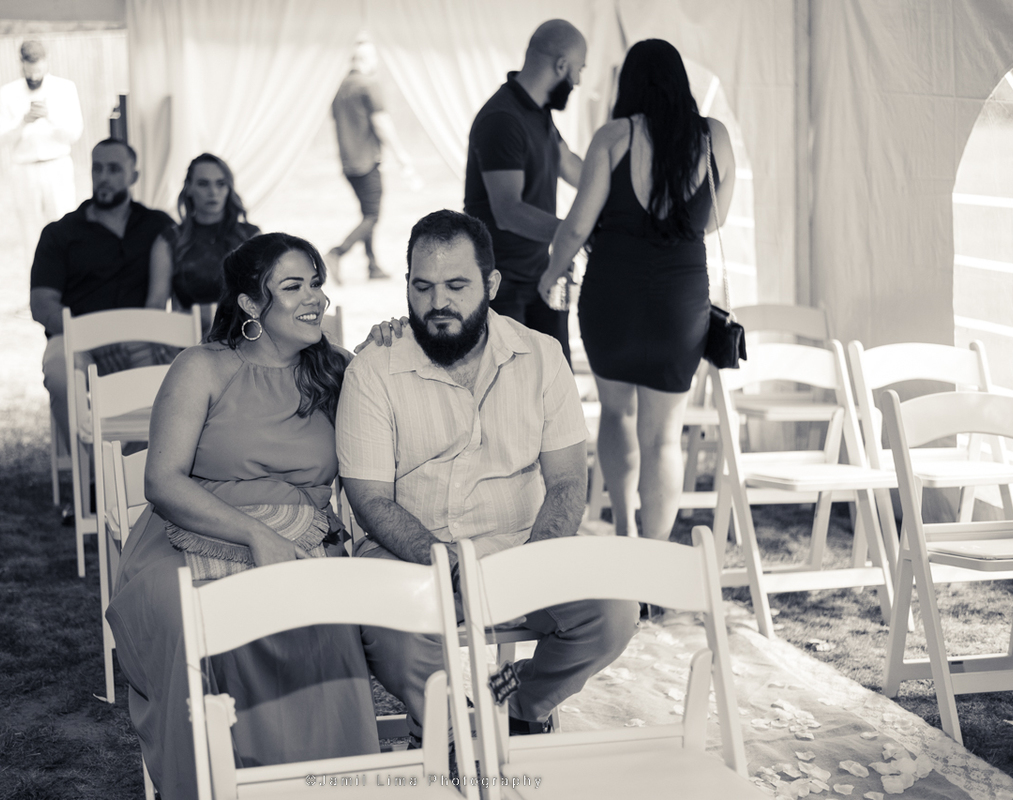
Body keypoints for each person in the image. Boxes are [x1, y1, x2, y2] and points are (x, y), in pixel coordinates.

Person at [337, 209, 637, 743]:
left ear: (491, 284)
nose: (438, 303)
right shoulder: (374, 369)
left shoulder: (542, 356)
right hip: (408, 554)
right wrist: (447, 564)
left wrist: (536, 562)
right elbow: (371, 500)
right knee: (392, 637)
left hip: (520, 545)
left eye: (456, 286)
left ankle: (517, 703)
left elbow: (569, 480)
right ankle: (451, 730)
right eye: (422, 287)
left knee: (613, 612)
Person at [106, 233, 378, 800]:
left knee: (324, 619)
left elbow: (396, 416)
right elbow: (162, 481)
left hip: (304, 536)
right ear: (251, 303)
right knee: (187, 616)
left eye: (317, 283)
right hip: (189, 534)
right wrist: (255, 535)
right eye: (293, 286)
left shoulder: (336, 371)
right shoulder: (202, 368)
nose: (315, 298)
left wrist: (390, 347)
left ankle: (325, 786)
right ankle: (207, 784)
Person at [538, 39, 736, 540]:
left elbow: (578, 226)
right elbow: (715, 219)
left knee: (616, 412)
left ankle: (624, 528)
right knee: (664, 438)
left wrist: (550, 272)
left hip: (613, 300)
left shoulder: (614, 137)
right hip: (680, 305)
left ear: (629, 84)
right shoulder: (713, 137)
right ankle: (654, 553)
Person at [30, 138, 175, 459]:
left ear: (134, 176)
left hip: (142, 339)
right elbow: (42, 305)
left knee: (183, 376)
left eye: (114, 169)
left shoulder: (158, 226)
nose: (104, 177)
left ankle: (143, 470)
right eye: (98, 169)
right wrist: (94, 338)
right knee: (58, 370)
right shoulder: (60, 234)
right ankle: (93, 475)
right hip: (77, 341)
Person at [464, 19, 586, 364]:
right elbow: (509, 211)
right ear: (561, 66)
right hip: (502, 283)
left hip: (540, 274)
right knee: (511, 385)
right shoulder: (502, 118)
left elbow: (571, 165)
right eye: (579, 70)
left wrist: (621, 185)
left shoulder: (538, 112)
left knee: (556, 378)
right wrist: (578, 232)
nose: (578, 81)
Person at [326, 37, 417, 283]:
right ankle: (337, 253)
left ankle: (372, 265)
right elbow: (381, 123)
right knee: (372, 216)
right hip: (366, 161)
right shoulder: (368, 85)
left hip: (348, 162)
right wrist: (401, 156)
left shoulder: (339, 87)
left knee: (366, 214)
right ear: (366, 59)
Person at [145, 153, 260, 334]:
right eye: (203, 184)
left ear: (229, 188)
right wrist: (157, 339)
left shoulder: (250, 237)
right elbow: (156, 305)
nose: (213, 192)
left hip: (244, 335)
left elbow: (264, 298)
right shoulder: (169, 240)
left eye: (220, 184)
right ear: (189, 188)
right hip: (188, 338)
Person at [0, 40, 83, 250]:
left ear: (46, 62)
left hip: (57, 165)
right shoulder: (8, 92)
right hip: (24, 170)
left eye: (38, 71)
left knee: (65, 227)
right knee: (30, 234)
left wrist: (49, 116)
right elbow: (3, 139)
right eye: (30, 71)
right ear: (21, 64)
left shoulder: (65, 88)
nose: (34, 77)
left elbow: (74, 134)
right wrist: (24, 121)